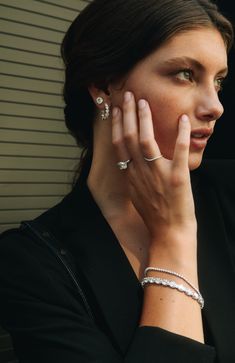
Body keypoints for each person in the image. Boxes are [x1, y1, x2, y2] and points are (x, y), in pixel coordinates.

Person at [0, 0, 234, 362]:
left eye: (218, 80)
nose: (215, 105)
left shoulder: (228, 194)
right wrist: (173, 237)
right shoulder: (31, 263)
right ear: (104, 85)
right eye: (186, 74)